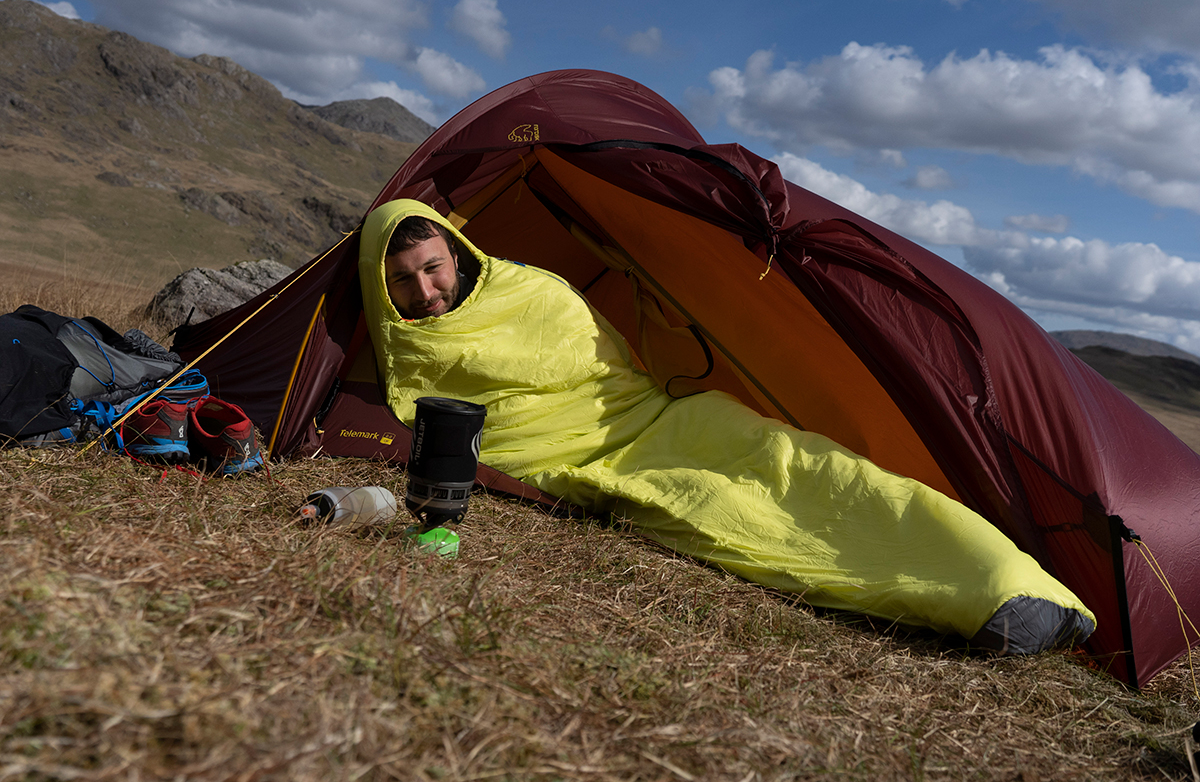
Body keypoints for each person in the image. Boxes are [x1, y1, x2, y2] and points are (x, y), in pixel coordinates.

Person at [360, 198, 1097, 654]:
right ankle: (986, 604)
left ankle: (1015, 582)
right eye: (404, 281)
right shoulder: (408, 347)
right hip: (599, 461)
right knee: (728, 511)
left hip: (662, 417)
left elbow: (605, 369)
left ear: (455, 253)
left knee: (801, 464)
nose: (426, 292)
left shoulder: (536, 291)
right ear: (381, 286)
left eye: (434, 268)